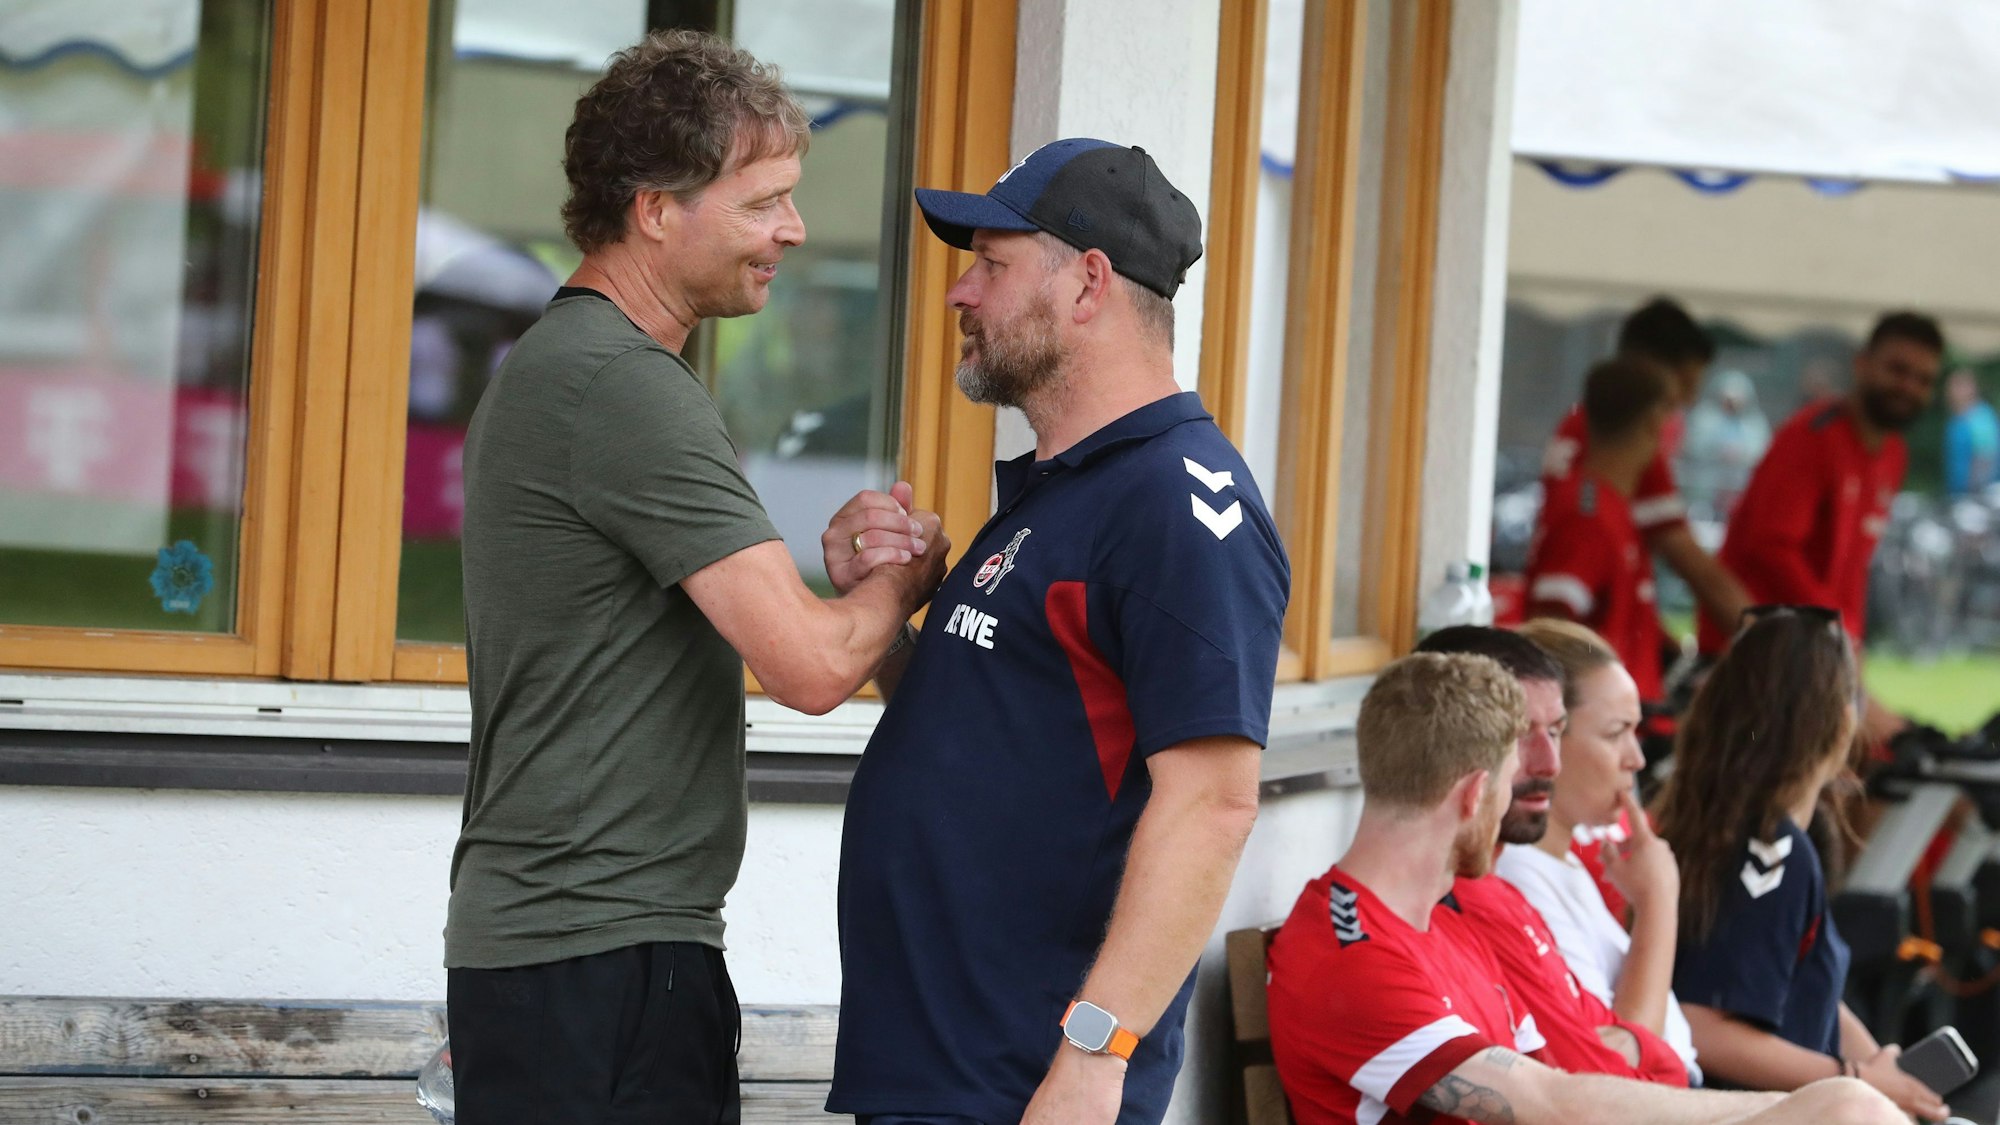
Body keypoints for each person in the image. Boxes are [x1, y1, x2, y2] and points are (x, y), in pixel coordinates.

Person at [443, 32, 948, 1124]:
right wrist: (899, 583)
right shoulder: (623, 389)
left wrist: (843, 594)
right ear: (655, 207)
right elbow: (812, 668)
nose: (793, 232)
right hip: (599, 957)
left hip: (573, 952)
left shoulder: (569, 369)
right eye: (764, 201)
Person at [822, 138, 1291, 1125]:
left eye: (990, 266)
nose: (960, 295)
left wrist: (1094, 1053)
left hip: (1027, 1086)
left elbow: (1212, 803)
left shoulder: (1178, 503)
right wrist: (892, 612)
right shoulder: (1070, 490)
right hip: (947, 1070)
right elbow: (1000, 740)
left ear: (1086, 284)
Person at [1265, 652, 1901, 1125]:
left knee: (1848, 1111)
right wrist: (1798, 1109)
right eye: (1511, 782)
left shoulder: (1448, 923)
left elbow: (1582, 1071)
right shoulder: (1351, 954)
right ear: (1471, 795)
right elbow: (1553, 1100)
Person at [1655, 609, 1949, 1121]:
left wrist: (1880, 1071)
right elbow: (1701, 1026)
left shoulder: (1736, 825)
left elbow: (1802, 984)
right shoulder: (1770, 850)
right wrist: (1852, 1081)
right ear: (1834, 722)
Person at [1415, 626, 1688, 1087]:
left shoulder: (1512, 887)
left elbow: (1627, 1058)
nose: (1549, 762)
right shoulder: (1509, 880)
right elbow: (1616, 1084)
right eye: (1616, 732)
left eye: (1556, 732)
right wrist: (1659, 902)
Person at [1697, 312, 1947, 747]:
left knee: (1889, 764)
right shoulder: (1810, 438)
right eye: (1898, 370)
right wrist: (1838, 630)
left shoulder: (1892, 453)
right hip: (1758, 657)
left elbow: (1849, 565)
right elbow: (1770, 546)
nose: (1909, 387)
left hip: (1821, 660)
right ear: (1862, 363)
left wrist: (1850, 649)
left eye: (1923, 379)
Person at [1499, 618, 1700, 1082]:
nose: (1637, 758)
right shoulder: (1518, 874)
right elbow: (1619, 1074)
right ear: (1543, 741)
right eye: (1615, 734)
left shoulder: (1558, 861)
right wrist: (1657, 904)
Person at [1542, 297, 1751, 634]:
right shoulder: (1624, 444)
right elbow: (1687, 558)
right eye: (1685, 384)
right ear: (1647, 369)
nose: (1687, 402)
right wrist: (1759, 634)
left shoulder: (1581, 424)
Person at [1525, 355, 1677, 704]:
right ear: (1656, 420)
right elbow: (1550, 632)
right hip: (1598, 737)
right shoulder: (1588, 515)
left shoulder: (1610, 506)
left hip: (1616, 728)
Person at [1679, 370, 1771, 519]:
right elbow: (1693, 445)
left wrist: (1741, 453)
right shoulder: (1704, 418)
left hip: (1740, 487)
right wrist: (1717, 450)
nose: (1732, 404)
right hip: (1706, 485)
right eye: (1728, 399)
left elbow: (1761, 452)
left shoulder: (1755, 425)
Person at [1944, 367, 1999, 497]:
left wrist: (1975, 495)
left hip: (1976, 498)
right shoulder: (1957, 420)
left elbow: (1986, 458)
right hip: (1956, 495)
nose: (1952, 391)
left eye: (1959, 385)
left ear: (1972, 388)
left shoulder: (1980, 418)